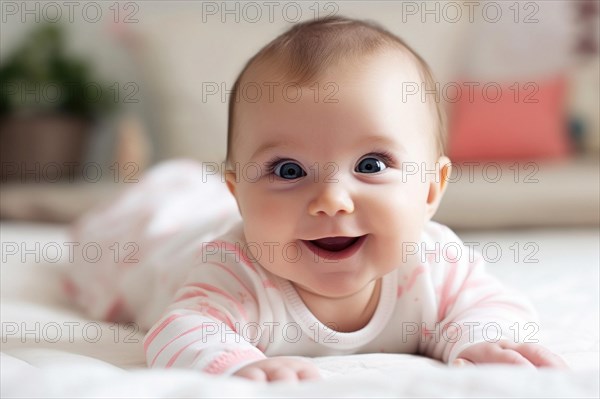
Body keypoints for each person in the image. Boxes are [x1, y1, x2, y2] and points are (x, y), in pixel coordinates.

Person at [68, 16, 567, 383]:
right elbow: (181, 330)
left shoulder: (433, 262)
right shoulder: (235, 275)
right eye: (289, 170)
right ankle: (169, 188)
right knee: (134, 226)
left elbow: (492, 306)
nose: (331, 201)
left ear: (432, 189)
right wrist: (240, 364)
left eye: (371, 166)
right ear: (240, 194)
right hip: (160, 236)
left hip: (220, 210)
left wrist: (478, 341)